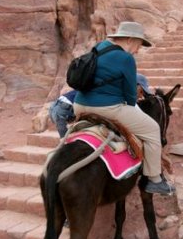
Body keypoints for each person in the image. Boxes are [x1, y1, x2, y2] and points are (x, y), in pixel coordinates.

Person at [73, 21, 175, 196]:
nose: (137, 50)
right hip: (106, 108)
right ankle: (154, 180)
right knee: (152, 130)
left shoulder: (99, 47)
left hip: (79, 105)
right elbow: (129, 96)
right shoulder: (126, 58)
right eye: (138, 45)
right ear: (129, 40)